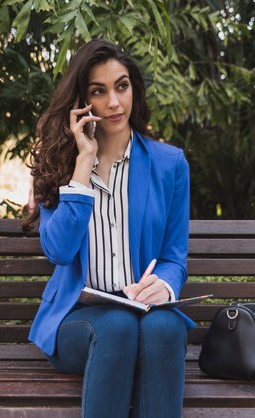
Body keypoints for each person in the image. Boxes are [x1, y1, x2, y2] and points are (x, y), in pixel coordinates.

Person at [23, 39, 193, 418]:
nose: (114, 103)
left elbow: (173, 258)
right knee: (117, 325)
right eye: (98, 92)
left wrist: (163, 286)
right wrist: (83, 164)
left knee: (165, 328)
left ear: (134, 88)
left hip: (145, 313)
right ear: (81, 102)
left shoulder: (170, 165)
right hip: (78, 322)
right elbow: (59, 251)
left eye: (122, 86)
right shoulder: (59, 165)